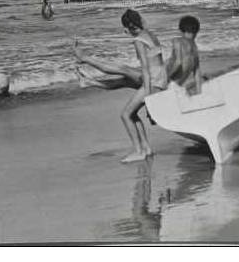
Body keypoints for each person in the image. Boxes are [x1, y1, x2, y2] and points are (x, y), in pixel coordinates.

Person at [74, 14, 203, 161]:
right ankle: (146, 149)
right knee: (124, 81)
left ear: (128, 27)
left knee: (125, 114)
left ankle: (139, 151)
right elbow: (157, 61)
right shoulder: (151, 35)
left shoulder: (139, 41)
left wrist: (150, 100)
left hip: (154, 81)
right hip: (159, 78)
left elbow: (148, 70)